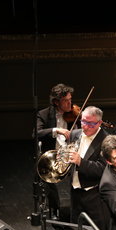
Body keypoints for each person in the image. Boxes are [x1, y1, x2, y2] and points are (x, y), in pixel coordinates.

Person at [65, 106, 110, 230]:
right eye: (83, 121)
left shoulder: (106, 140)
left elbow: (103, 169)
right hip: (76, 192)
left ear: (99, 123)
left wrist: (80, 162)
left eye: (90, 124)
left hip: (95, 196)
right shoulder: (75, 134)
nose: (85, 126)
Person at [35, 83, 76, 219]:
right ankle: (55, 209)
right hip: (53, 154)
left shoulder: (75, 114)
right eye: (66, 100)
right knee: (47, 178)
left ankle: (79, 207)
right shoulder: (44, 114)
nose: (70, 103)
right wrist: (56, 130)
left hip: (70, 153)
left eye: (71, 99)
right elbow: (36, 133)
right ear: (56, 102)